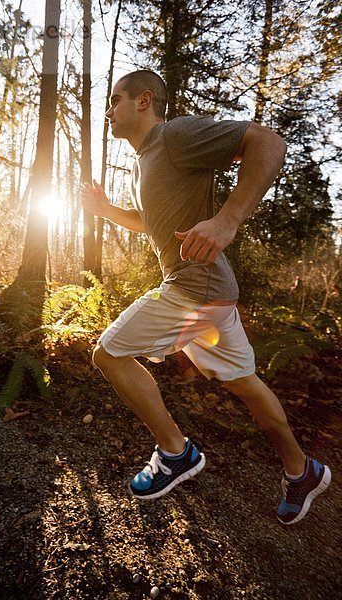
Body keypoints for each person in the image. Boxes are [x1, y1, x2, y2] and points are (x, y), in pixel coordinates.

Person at [81, 70, 331, 525]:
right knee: (245, 384)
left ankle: (176, 453)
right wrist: (105, 211)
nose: (108, 110)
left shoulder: (173, 136)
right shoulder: (146, 161)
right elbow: (148, 220)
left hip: (193, 289)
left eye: (114, 99)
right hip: (213, 293)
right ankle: (302, 471)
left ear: (143, 100)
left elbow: (268, 143)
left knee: (109, 354)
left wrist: (227, 220)